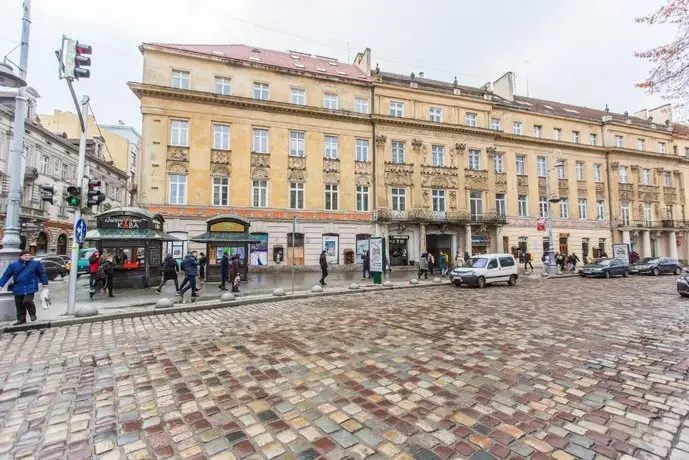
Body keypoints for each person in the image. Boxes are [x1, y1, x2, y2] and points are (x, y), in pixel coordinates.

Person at [0, 250, 48, 325]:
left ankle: (32, 314)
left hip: (31, 285)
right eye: (25, 255)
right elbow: (6, 275)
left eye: (29, 255)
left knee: (27, 301)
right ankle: (21, 319)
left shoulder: (36, 264)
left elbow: (42, 273)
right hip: (18, 286)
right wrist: (1, 285)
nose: (28, 256)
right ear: (21, 256)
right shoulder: (13, 265)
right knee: (19, 304)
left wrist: (44, 282)